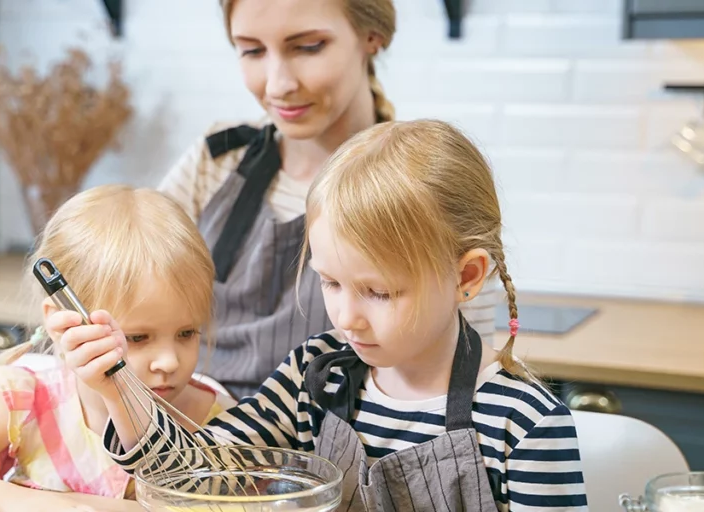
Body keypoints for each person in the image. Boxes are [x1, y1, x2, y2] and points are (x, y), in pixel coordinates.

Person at [64, 121, 588, 511]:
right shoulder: (315, 375)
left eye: (377, 293)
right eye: (330, 282)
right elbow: (195, 479)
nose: (347, 317)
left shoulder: (522, 424)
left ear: (467, 277)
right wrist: (117, 388)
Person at [159, 0, 500, 399]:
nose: (277, 85)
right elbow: (125, 283)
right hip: (196, 433)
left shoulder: (423, 188)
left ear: (372, 37)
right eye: (252, 50)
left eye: (307, 47)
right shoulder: (216, 158)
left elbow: (459, 381)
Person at [0, 185, 236, 512]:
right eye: (137, 338)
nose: (169, 361)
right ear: (62, 324)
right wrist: (20, 502)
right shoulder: (28, 401)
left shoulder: (218, 418)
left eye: (187, 333)